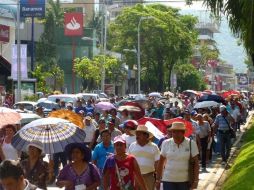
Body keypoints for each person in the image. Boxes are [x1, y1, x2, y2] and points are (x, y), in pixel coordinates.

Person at [156, 122, 199, 190]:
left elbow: (196, 164)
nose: (175, 134)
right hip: (168, 180)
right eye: (173, 132)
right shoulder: (165, 143)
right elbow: (161, 163)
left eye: (178, 132)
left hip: (185, 181)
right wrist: (158, 180)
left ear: (183, 132)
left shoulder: (191, 143)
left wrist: (196, 180)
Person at [128, 125, 160, 190]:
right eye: (137, 134)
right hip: (135, 176)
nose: (137, 136)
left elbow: (157, 163)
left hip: (149, 177)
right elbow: (128, 161)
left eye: (139, 134)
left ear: (146, 136)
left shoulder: (154, 147)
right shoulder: (132, 145)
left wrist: (157, 178)